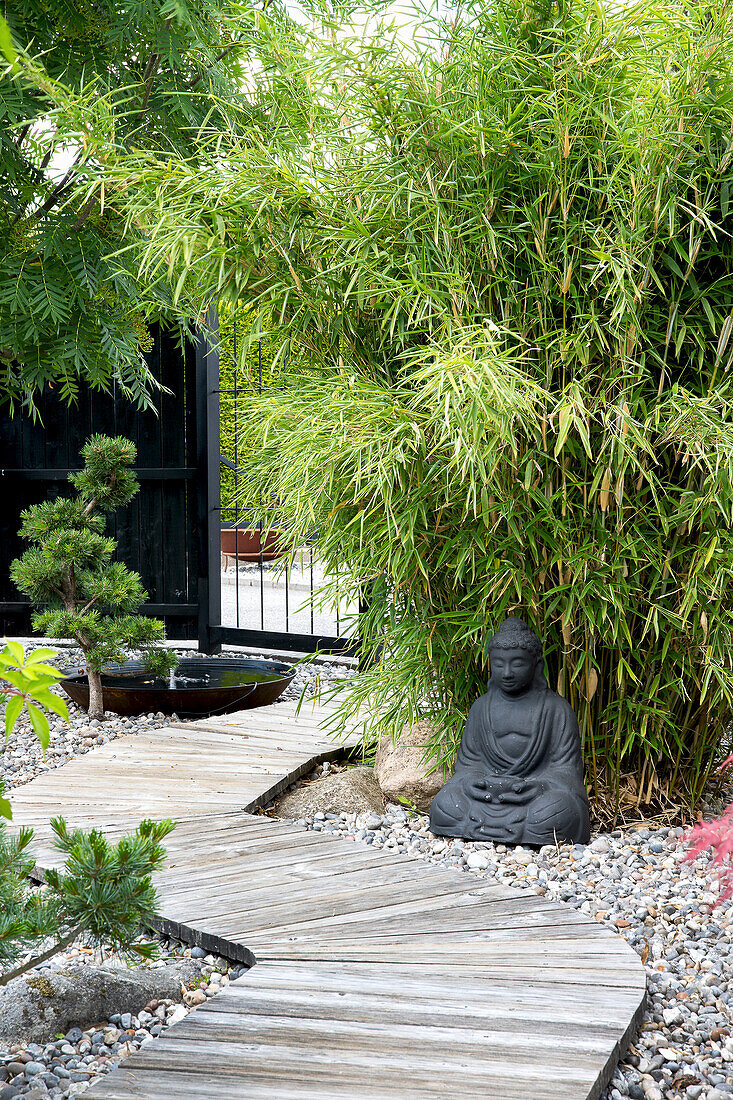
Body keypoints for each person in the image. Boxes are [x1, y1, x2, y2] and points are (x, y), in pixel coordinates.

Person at [429, 617, 590, 846]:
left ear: (537, 666)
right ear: (490, 664)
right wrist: (472, 782)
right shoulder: (481, 708)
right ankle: (511, 827)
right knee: (446, 803)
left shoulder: (556, 709)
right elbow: (468, 764)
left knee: (558, 811)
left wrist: (539, 786)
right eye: (498, 664)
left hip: (534, 795)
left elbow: (566, 770)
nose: (506, 673)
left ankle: (497, 826)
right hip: (487, 793)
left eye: (517, 664)